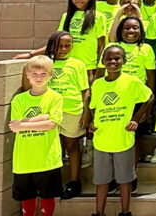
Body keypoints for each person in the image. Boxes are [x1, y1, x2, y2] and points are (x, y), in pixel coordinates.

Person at [90, 45, 154, 216]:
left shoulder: (131, 81)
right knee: (101, 181)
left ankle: (125, 211)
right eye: (109, 58)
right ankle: (99, 212)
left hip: (123, 139)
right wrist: (92, 122)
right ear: (102, 62)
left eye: (117, 58)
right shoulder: (97, 84)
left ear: (124, 61)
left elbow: (150, 97)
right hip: (102, 140)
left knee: (124, 180)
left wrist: (136, 118)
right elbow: (94, 106)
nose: (113, 61)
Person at [10, 55, 64, 216]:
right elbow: (14, 126)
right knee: (27, 197)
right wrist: (43, 117)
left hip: (48, 159)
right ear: (27, 74)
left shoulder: (55, 97)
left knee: (48, 197)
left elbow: (51, 124)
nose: (38, 78)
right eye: (34, 74)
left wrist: (24, 123)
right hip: (24, 159)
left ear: (51, 75)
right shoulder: (19, 99)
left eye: (43, 74)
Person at [41, 31, 90, 200]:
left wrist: (86, 112)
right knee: (52, 148)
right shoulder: (46, 64)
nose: (63, 49)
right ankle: (51, 183)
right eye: (59, 45)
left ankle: (74, 181)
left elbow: (85, 90)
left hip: (72, 111)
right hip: (50, 112)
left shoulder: (77, 64)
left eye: (67, 45)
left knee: (72, 145)